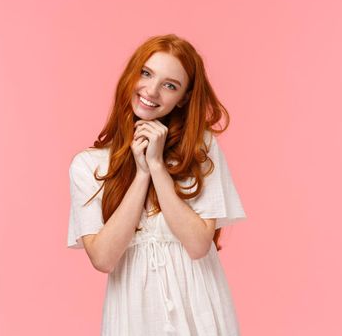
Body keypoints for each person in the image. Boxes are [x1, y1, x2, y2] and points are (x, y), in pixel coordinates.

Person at [67, 34, 247, 335]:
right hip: (134, 314)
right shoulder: (87, 165)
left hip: (200, 308)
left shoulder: (200, 149)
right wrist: (141, 175)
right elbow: (103, 258)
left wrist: (157, 167)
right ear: (131, 74)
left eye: (170, 85)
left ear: (184, 98)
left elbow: (198, 244)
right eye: (146, 73)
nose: (151, 91)